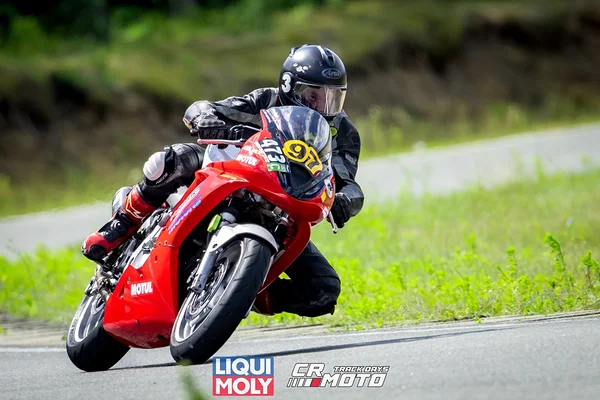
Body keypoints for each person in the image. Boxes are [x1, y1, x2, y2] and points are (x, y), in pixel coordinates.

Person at [81, 44, 364, 317]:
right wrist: (205, 118)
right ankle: (122, 224)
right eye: (313, 95)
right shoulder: (266, 100)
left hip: (283, 207)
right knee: (170, 160)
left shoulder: (344, 132)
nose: (322, 106)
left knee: (323, 289)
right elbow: (205, 108)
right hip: (235, 174)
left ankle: (243, 291)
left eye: (332, 97)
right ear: (289, 86)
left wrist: (346, 201)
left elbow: (347, 182)